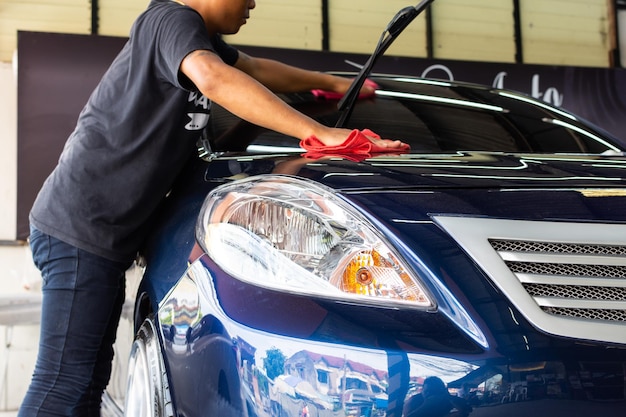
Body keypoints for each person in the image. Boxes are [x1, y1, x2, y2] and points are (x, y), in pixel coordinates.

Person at [18, 0, 409, 416]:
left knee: (88, 380)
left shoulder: (201, 40)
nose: (253, 3)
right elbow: (213, 77)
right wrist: (318, 132)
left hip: (102, 238)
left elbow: (256, 70)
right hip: (80, 228)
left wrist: (332, 84)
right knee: (63, 383)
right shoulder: (170, 18)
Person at [403, 377, 472, 417]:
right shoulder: (414, 400)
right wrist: (427, 404)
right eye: (427, 391)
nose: (429, 394)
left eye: (434, 391)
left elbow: (466, 411)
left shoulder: (446, 400)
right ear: (422, 389)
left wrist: (448, 397)